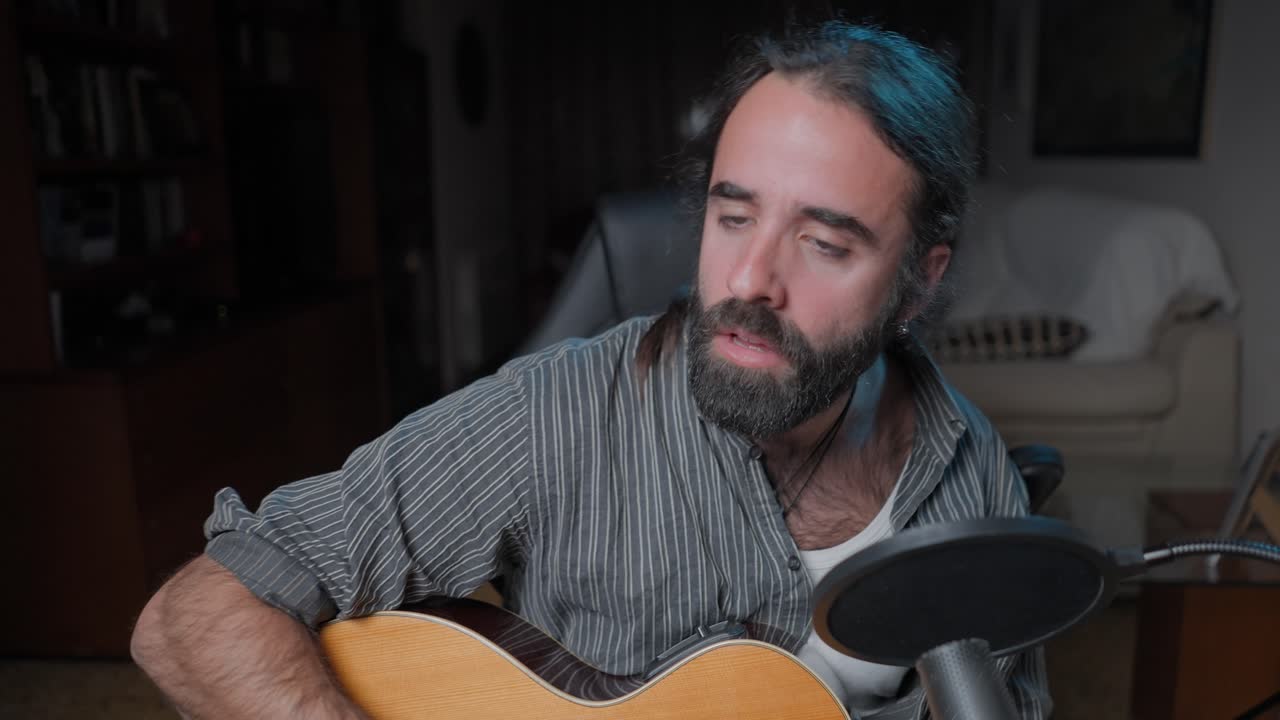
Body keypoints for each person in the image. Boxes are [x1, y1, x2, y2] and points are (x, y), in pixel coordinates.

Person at [132, 21, 1051, 719]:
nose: (748, 280)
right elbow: (192, 615)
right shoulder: (554, 416)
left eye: (821, 243)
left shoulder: (975, 483)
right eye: (733, 218)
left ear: (916, 284)